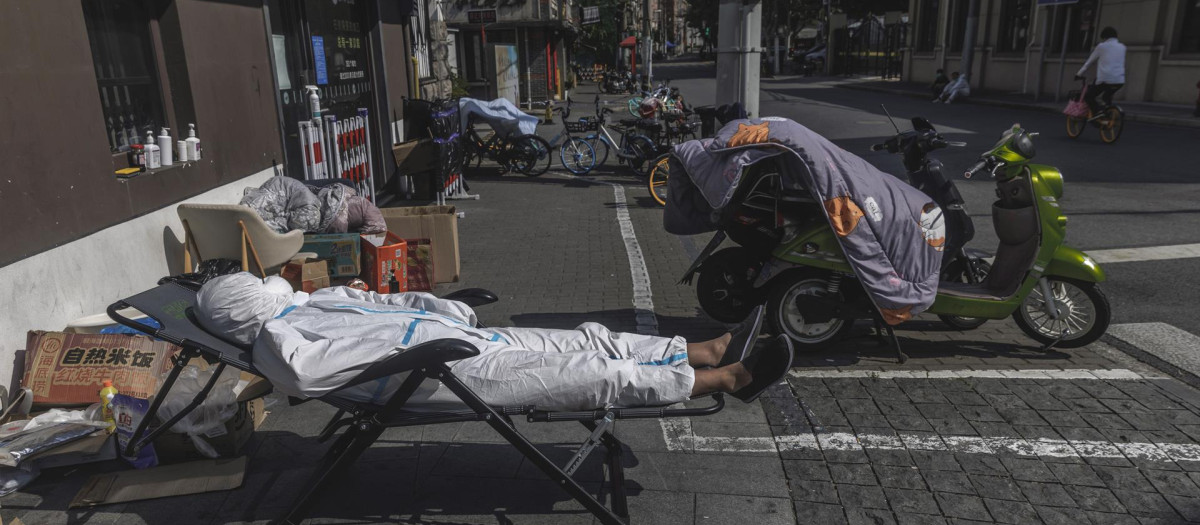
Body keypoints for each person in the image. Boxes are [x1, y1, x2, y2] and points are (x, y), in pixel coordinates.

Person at [196, 273, 792, 412]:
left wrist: (437, 307)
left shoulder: (307, 302)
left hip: (457, 339)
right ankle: (724, 380)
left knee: (590, 337)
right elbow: (304, 378)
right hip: (436, 371)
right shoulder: (277, 336)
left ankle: (707, 350)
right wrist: (410, 352)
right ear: (251, 309)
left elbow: (385, 305)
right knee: (588, 371)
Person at [1076, 27, 1126, 117]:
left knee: (1088, 96)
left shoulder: (1101, 46)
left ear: (1105, 37)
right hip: (1120, 80)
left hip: (1105, 79)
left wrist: (1079, 73)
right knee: (1106, 97)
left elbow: (1089, 62)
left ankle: (1098, 113)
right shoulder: (1122, 47)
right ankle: (1108, 116)